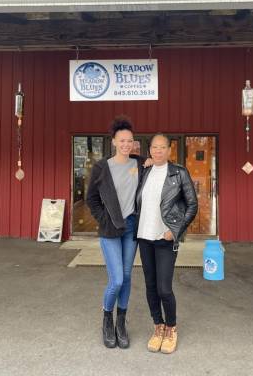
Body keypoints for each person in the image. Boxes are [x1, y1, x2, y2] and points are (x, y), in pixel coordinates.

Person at [86, 115, 148, 349]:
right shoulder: (102, 167)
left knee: (128, 276)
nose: (126, 144)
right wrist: (104, 218)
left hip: (131, 227)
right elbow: (92, 199)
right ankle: (107, 319)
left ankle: (121, 322)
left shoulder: (140, 163)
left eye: (129, 141)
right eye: (122, 141)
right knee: (117, 280)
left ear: (133, 142)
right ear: (113, 141)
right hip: (110, 230)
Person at [136, 133, 198, 354]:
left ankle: (171, 327)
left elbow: (192, 205)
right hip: (144, 236)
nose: (158, 151)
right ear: (149, 150)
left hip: (165, 239)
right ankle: (158, 326)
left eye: (162, 147)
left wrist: (176, 230)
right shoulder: (145, 171)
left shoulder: (179, 173)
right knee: (150, 286)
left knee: (164, 288)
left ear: (169, 150)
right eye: (154, 147)